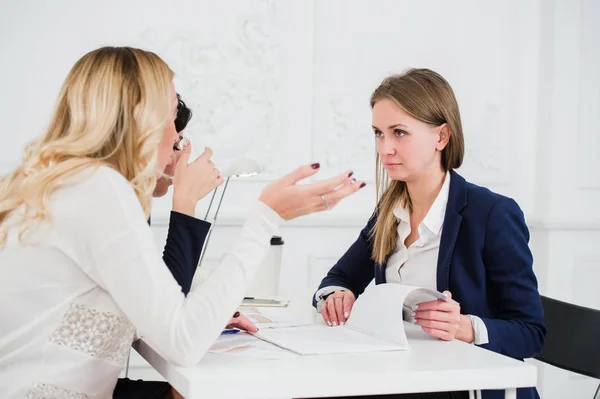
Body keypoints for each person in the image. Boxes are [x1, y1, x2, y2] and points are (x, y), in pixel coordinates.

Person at [0, 46, 365, 399]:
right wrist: (266, 217)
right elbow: (183, 343)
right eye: (171, 115)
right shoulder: (97, 187)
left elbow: (112, 310)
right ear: (140, 117)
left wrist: (206, 316)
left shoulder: (60, 182)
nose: (177, 137)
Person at [312, 68, 545, 399]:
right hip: (407, 380)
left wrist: (466, 328)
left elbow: (531, 332)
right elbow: (339, 277)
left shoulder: (492, 214)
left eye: (399, 133)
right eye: (378, 133)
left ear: (441, 137)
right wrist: (335, 296)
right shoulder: (390, 210)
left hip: (465, 388)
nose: (384, 148)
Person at [114, 95, 256, 398]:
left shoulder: (132, 201)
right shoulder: (114, 203)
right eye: (176, 144)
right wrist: (185, 205)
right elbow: (166, 318)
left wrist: (207, 315)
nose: (178, 158)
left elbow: (157, 296)